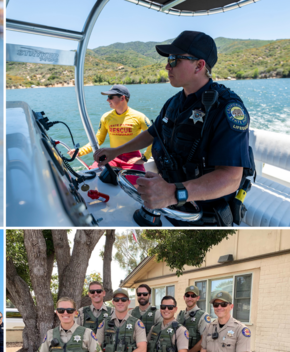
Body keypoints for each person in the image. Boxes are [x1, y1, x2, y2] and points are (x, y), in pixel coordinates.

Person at [95, 31, 253, 226]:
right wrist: (115, 151)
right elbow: (153, 134)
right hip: (167, 204)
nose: (167, 65)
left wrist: (173, 192)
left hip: (201, 219)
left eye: (174, 59)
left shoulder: (227, 108)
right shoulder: (174, 103)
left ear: (199, 65)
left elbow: (231, 179)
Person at [71, 85, 152, 185]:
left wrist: (144, 158)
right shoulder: (106, 117)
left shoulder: (139, 117)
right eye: (107, 97)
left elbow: (154, 137)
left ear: (122, 98)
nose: (107, 100)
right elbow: (98, 139)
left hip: (132, 157)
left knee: (138, 185)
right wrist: (80, 152)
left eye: (110, 97)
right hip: (112, 155)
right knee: (92, 175)